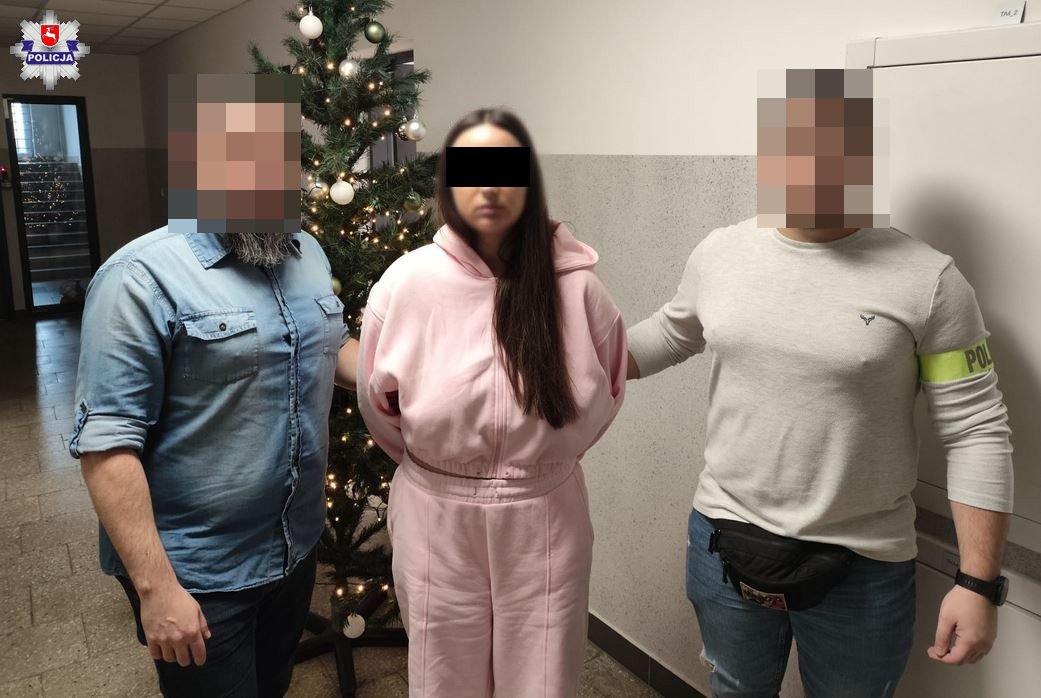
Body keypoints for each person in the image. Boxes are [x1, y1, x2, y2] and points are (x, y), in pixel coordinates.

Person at [626, 68, 1014, 697]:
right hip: (724, 539)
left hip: (862, 566)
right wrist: (555, 356)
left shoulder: (930, 281)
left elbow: (976, 431)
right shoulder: (720, 253)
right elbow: (670, 335)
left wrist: (978, 583)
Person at [71, 74, 360, 697]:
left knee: (272, 687)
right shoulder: (138, 278)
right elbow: (107, 447)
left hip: (293, 545)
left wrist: (415, 382)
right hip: (198, 572)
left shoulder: (306, 252)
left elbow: (331, 346)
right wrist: (156, 589)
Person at [357, 108, 627, 697]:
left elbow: (606, 394)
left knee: (543, 679)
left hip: (544, 513)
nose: (488, 186)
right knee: (443, 676)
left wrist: (537, 462)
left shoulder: (579, 288)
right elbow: (378, 404)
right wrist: (445, 464)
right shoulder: (407, 284)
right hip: (437, 510)